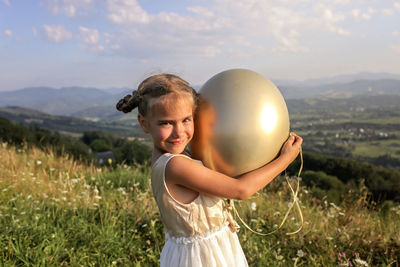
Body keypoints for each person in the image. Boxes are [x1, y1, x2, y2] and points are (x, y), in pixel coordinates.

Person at [116, 74, 303, 267]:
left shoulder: (177, 157)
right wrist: (285, 159)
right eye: (166, 123)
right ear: (144, 123)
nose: (179, 132)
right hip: (203, 258)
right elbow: (241, 190)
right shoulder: (176, 166)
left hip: (204, 251)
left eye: (186, 120)